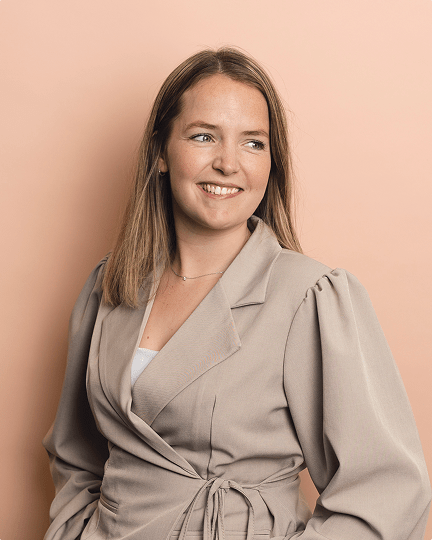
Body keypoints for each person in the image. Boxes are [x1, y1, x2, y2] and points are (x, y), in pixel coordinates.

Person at [43, 47, 431, 540]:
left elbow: (389, 491)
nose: (228, 163)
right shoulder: (111, 284)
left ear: (271, 162)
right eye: (204, 136)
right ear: (161, 152)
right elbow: (75, 455)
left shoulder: (310, 297)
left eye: (253, 143)